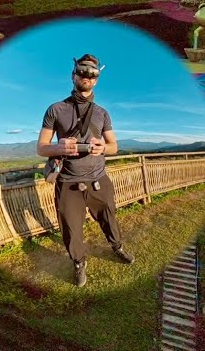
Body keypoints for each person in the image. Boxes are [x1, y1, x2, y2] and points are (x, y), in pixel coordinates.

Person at [35, 53, 135, 287]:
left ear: (96, 79)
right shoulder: (56, 109)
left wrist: (103, 147)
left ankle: (117, 247)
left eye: (92, 73)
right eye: (82, 71)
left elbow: (114, 146)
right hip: (68, 182)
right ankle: (79, 262)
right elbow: (41, 148)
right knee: (71, 229)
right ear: (73, 75)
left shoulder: (102, 113)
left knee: (109, 218)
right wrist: (59, 147)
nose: (86, 76)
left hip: (99, 179)